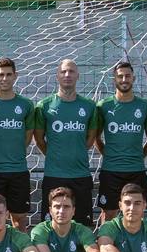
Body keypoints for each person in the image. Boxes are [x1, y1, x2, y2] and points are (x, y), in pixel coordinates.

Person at [33, 58, 98, 226]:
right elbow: (39, 138)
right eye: (63, 71)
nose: (67, 75)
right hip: (54, 175)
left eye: (71, 71)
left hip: (81, 175)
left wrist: (76, 151)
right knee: (51, 226)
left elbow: (91, 139)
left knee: (83, 225)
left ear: (78, 76)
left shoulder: (89, 106)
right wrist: (54, 154)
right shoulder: (44, 106)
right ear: (57, 76)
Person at [95, 61, 147, 222]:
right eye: (120, 76)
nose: (124, 79)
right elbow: (96, 136)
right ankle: (106, 245)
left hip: (136, 170)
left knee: (136, 213)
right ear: (114, 79)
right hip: (111, 170)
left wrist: (139, 156)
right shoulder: (104, 106)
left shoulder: (144, 106)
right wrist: (107, 154)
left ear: (133, 78)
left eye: (127, 76)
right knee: (108, 214)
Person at [0, 57, 35, 231]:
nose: (5, 78)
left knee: (19, 219)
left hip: (18, 171)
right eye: (1, 74)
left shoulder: (26, 105)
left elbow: (27, 137)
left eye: (8, 74)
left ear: (15, 76)